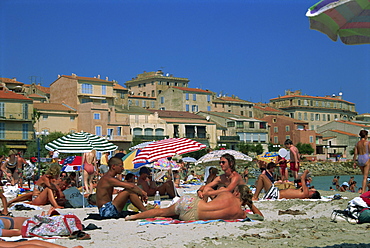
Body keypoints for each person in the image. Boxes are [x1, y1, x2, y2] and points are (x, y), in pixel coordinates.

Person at [125, 185, 263, 221]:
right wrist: (250, 204)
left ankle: (133, 217)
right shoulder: (240, 214)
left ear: (237, 193)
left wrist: (204, 195)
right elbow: (260, 217)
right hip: (192, 217)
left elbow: (206, 192)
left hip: (190, 202)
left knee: (163, 211)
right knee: (170, 215)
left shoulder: (225, 192)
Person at [252, 170, 320, 200]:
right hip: (275, 193)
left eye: (313, 190)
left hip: (275, 194)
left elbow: (302, 178)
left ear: (313, 193)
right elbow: (300, 189)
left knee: (262, 176)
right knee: (262, 178)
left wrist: (306, 172)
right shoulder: (303, 193)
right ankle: (255, 195)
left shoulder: (306, 193)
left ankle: (255, 197)